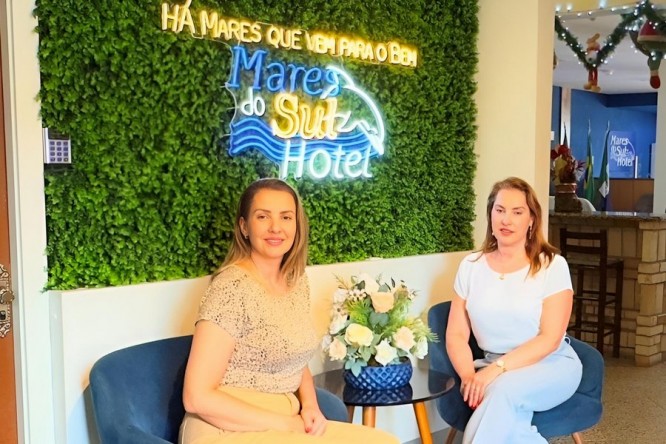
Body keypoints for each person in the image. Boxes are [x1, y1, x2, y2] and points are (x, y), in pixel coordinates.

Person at [180, 178, 399, 444]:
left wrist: (310, 406)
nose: (276, 227)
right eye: (263, 216)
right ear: (244, 226)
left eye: (286, 217)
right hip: (226, 424)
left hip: (284, 418)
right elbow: (196, 397)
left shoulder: (296, 281)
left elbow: (293, 357)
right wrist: (288, 425)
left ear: (297, 226)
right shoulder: (230, 288)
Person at [446, 177, 583, 443]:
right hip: (491, 365)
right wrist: (469, 377)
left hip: (551, 365)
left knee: (501, 392)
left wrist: (495, 370)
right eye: (500, 210)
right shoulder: (470, 266)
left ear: (531, 220)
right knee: (510, 424)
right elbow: (456, 335)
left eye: (517, 212)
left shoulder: (552, 266)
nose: (506, 220)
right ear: (490, 215)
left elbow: (550, 339)